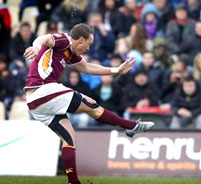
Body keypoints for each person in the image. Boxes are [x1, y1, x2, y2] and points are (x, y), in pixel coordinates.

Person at [23, 23, 154, 184]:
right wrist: (36, 47)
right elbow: (43, 38)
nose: (88, 48)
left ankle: (73, 182)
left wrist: (116, 70)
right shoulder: (64, 40)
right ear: (80, 40)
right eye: (88, 44)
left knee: (69, 138)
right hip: (42, 90)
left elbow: (86, 67)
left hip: (35, 103)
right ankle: (130, 126)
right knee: (91, 104)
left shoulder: (70, 54)